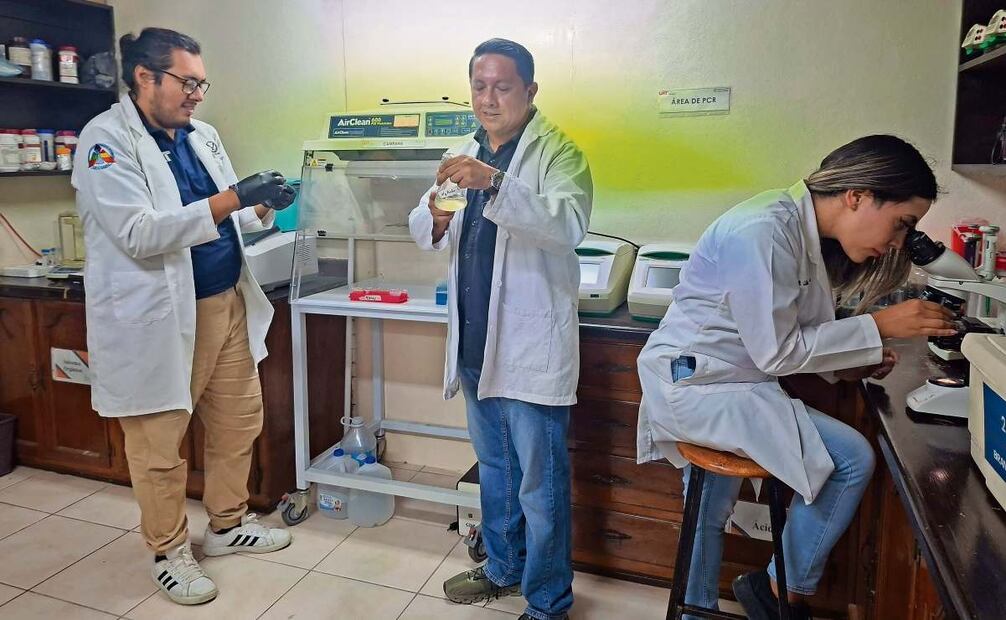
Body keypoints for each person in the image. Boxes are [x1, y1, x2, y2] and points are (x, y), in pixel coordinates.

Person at [635, 135, 957, 619]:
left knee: (709, 510)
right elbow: (778, 350)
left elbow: (795, 334)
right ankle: (773, 593)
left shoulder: (799, 232)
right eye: (902, 224)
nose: (898, 243)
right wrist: (877, 327)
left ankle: (704, 609)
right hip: (698, 385)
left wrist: (854, 361)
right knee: (850, 460)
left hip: (729, 379)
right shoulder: (764, 230)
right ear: (858, 196)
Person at [72, 27, 297, 606]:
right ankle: (169, 552)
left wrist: (259, 205)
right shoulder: (105, 141)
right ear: (144, 77)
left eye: (202, 84)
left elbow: (227, 217)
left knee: (238, 422)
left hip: (225, 302)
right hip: (159, 320)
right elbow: (138, 232)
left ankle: (227, 524)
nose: (198, 94)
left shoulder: (203, 136)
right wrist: (232, 198)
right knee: (158, 446)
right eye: (187, 82)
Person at [408, 38, 592, 620]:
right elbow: (424, 224)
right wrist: (435, 217)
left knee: (541, 484)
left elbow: (568, 225)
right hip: (475, 344)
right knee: (496, 471)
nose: (488, 99)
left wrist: (494, 182)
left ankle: (548, 601)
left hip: (529, 347)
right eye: (479, 86)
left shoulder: (560, 153)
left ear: (530, 91)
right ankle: (503, 568)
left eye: (503, 87)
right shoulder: (461, 149)